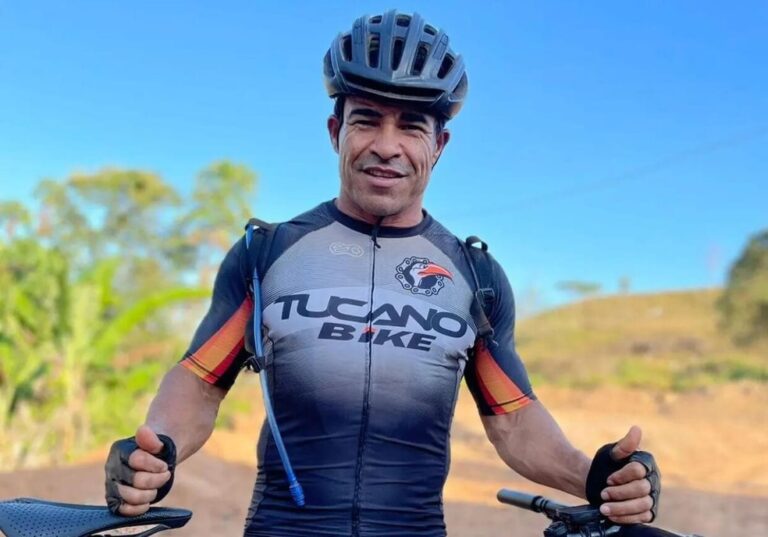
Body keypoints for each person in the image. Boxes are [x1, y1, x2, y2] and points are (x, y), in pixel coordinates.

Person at [104, 10, 661, 537]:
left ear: (439, 145)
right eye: (366, 120)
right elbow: (200, 382)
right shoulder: (265, 255)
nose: (387, 146)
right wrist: (158, 450)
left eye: (412, 126)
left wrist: (595, 478)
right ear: (335, 131)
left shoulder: (476, 276)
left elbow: (514, 419)